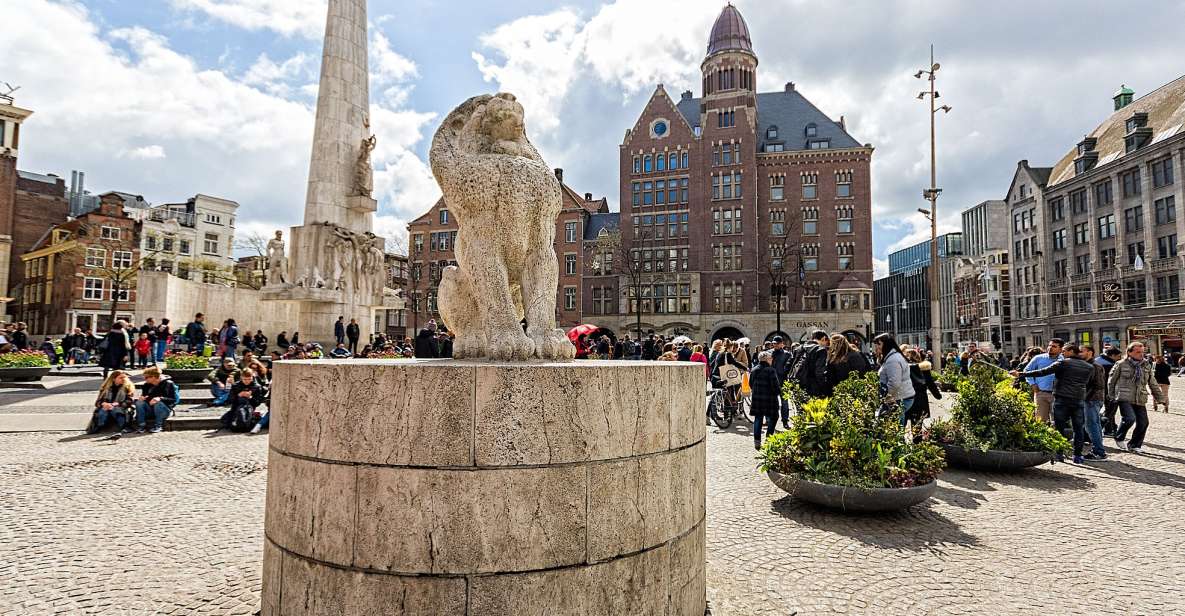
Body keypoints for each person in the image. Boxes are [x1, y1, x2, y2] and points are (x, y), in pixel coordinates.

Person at [1012, 343, 1094, 463]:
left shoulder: (1063, 363)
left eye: (1064, 351)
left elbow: (1043, 372)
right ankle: (1077, 455)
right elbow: (1088, 383)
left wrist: (1021, 374)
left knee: (1059, 427)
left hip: (1062, 398)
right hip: (1078, 399)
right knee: (1078, 428)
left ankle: (1059, 453)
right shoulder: (1088, 366)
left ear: (1071, 351)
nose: (1062, 353)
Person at [1108, 342, 1168, 453]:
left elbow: (1153, 383)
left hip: (1140, 397)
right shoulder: (1121, 364)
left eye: (1142, 352)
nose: (1141, 354)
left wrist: (1161, 399)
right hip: (1124, 396)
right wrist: (1111, 396)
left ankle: (1134, 445)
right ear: (1129, 352)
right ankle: (1119, 437)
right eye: (1138, 352)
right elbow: (1111, 381)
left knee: (1143, 422)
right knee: (1130, 418)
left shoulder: (1146, 365)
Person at [874, 333, 914, 423]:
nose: (876, 347)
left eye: (879, 344)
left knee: (893, 429)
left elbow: (894, 383)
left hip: (898, 398)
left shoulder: (893, 360)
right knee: (895, 428)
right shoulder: (892, 357)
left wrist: (886, 399)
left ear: (886, 344)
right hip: (900, 397)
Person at [904, 348, 941, 443]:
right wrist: (938, 396)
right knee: (917, 425)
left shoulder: (903, 368)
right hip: (920, 399)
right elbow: (930, 384)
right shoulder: (924, 368)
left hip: (905, 397)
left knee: (901, 424)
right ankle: (917, 448)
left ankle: (900, 449)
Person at [1022, 338, 1064, 423]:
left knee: (1057, 421)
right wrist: (1033, 384)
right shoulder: (1038, 358)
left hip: (1058, 394)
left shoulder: (1064, 360)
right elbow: (1027, 371)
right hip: (1041, 393)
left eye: (1054, 346)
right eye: (1049, 345)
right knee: (1040, 421)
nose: (1050, 348)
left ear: (1060, 349)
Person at [1080, 346, 1108, 460]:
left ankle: (1099, 452)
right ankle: (1099, 450)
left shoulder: (1095, 366)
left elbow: (1098, 385)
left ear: (1090, 352)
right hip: (1091, 399)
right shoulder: (1087, 365)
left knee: (1092, 425)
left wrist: (1085, 397)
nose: (1079, 353)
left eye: (1082, 351)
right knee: (1093, 425)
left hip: (1091, 399)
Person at [749, 351, 781, 450]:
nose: (772, 360)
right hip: (770, 399)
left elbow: (751, 384)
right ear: (767, 359)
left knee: (758, 418)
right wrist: (778, 392)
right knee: (774, 417)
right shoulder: (770, 370)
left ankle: (757, 442)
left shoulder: (754, 370)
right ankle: (769, 439)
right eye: (771, 358)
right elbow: (775, 386)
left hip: (757, 398)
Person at [133, 366, 179, 433]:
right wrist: (143, 398)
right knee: (139, 402)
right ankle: (141, 426)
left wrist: (160, 398)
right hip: (150, 409)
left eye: (146, 377)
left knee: (158, 403)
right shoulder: (146, 385)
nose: (145, 379)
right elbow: (146, 398)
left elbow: (173, 400)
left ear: (154, 377)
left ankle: (158, 426)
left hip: (165, 410)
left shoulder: (168, 384)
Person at [87, 369, 135, 434]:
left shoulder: (127, 388)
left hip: (120, 407)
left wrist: (116, 404)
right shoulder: (105, 388)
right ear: (114, 379)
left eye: (124, 377)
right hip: (107, 407)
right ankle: (99, 426)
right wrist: (103, 404)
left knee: (115, 410)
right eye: (121, 378)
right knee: (103, 410)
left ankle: (124, 426)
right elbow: (98, 402)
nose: (123, 379)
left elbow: (129, 401)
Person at [790, 330, 831, 399]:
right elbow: (819, 372)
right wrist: (825, 389)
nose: (826, 345)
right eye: (827, 343)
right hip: (812, 389)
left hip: (797, 387)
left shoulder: (799, 348)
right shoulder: (821, 350)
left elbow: (791, 365)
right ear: (823, 338)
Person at [1096, 347, 1122, 435]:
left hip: (1098, 390)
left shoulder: (1097, 360)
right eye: (1118, 356)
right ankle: (1108, 429)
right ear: (1112, 355)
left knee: (1107, 410)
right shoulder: (1109, 365)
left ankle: (1111, 427)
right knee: (1110, 410)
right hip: (1107, 391)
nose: (1119, 358)